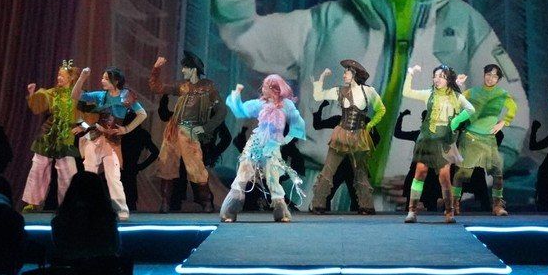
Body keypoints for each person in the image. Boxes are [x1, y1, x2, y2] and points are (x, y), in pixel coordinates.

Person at [211, 0, 529, 210]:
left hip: (417, 218)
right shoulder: (325, 23)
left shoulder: (464, 25)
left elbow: (510, 114)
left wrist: (457, 179)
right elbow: (243, 32)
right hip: (320, 210)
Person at [220, 75, 307, 223]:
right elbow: (242, 110)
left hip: (271, 146)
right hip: (255, 144)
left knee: (273, 178)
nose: (263, 89)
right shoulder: (260, 104)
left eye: (266, 86)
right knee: (243, 174)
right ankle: (229, 212)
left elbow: (297, 124)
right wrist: (237, 94)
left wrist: (284, 140)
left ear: (274, 89)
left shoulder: (286, 105)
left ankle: (281, 212)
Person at [149, 51, 225, 213]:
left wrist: (206, 127)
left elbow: (221, 111)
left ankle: (207, 202)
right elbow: (156, 87)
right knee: (167, 166)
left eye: (185, 68)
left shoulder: (207, 87)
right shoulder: (182, 86)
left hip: (189, 131)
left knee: (196, 168)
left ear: (193, 69)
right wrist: (156, 69)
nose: (183, 70)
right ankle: (165, 204)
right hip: (173, 130)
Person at [309, 59, 386, 214]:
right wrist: (322, 78)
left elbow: (381, 109)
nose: (344, 75)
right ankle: (318, 204)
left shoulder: (368, 91)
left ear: (354, 74)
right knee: (328, 169)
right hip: (341, 135)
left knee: (360, 172)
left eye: (347, 72)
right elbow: (318, 96)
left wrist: (369, 125)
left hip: (358, 137)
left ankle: (366, 206)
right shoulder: (340, 91)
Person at [72, 66, 147, 220]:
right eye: (102, 78)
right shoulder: (101, 95)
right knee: (89, 174)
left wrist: (126, 129)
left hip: (112, 141)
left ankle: (121, 210)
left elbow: (142, 114)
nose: (102, 80)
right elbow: (75, 95)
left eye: (106, 78)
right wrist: (82, 77)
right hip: (95, 137)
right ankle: (88, 209)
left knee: (113, 176)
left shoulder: (125, 96)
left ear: (116, 81)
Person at [400, 64, 473, 223]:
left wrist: (455, 121)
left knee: (444, 177)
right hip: (427, 139)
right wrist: (410, 74)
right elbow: (407, 92)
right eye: (435, 76)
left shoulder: (456, 96)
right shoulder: (429, 94)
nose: (437, 79)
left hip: (444, 140)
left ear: (448, 79)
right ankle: (412, 211)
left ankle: (449, 212)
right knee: (420, 173)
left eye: (441, 76)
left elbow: (470, 109)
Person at [452, 63, 518, 216]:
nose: (490, 78)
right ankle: (454, 204)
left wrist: (504, 122)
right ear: (484, 75)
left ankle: (497, 206)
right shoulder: (472, 92)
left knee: (497, 173)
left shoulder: (502, 94)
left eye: (494, 76)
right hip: (470, 137)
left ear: (498, 79)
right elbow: (456, 102)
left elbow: (513, 107)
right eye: (488, 74)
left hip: (488, 139)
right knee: (461, 174)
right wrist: (457, 85)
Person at [21, 60, 82, 211]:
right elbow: (37, 107)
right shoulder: (52, 92)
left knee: (68, 172)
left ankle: (69, 204)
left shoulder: (78, 95)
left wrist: (82, 127)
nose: (59, 78)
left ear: (71, 78)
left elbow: (90, 116)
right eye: (58, 75)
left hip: (65, 136)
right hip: (48, 134)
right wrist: (32, 93)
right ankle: (32, 203)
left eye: (62, 75)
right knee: (38, 168)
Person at [50, 171, 120, 263]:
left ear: (72, 190)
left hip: (70, 269)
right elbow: (114, 247)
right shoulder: (107, 220)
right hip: (101, 268)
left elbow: (59, 249)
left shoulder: (59, 221)